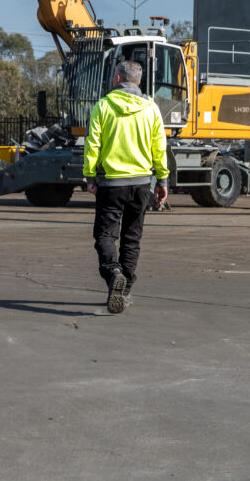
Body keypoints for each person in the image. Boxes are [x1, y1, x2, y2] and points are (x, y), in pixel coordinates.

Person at [82, 60, 169, 314]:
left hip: (111, 184)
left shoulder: (103, 106)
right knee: (132, 238)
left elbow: (92, 143)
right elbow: (159, 147)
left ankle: (113, 274)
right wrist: (162, 180)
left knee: (105, 235)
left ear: (118, 79)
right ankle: (126, 289)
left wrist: (90, 176)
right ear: (138, 81)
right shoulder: (151, 109)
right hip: (141, 184)